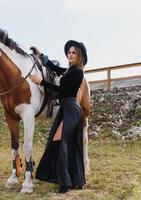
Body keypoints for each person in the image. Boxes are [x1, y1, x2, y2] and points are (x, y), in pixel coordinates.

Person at [29, 40, 88, 194]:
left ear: (79, 55)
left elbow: (62, 90)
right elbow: (53, 67)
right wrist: (41, 54)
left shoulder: (78, 72)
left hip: (71, 109)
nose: (70, 54)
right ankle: (75, 180)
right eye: (69, 52)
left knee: (61, 142)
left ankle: (65, 182)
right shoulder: (69, 71)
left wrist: (40, 81)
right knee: (64, 143)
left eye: (74, 52)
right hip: (65, 109)